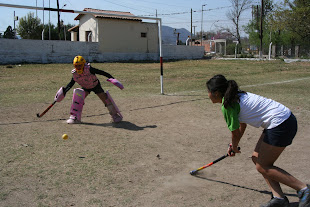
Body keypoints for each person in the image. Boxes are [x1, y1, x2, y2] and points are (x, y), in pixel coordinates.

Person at [206, 74, 309, 207]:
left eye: (208, 91)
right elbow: (242, 124)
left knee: (263, 166)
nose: (208, 94)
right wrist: (233, 146)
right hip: (281, 121)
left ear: (216, 93)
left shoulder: (228, 105)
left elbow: (235, 133)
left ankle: (304, 189)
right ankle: (279, 199)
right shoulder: (234, 96)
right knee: (256, 158)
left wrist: (235, 147)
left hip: (281, 124)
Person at [56, 55, 123, 124]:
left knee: (105, 99)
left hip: (95, 85)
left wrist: (112, 79)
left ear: (83, 64)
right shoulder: (75, 74)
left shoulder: (89, 69)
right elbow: (71, 83)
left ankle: (114, 115)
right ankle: (74, 117)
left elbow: (102, 72)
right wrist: (64, 92)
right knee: (78, 100)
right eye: (76, 66)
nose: (78, 67)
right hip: (85, 87)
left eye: (80, 65)